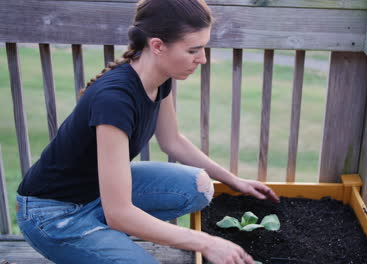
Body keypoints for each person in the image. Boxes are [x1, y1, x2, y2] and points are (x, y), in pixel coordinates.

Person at [15, 0, 280, 263]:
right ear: (157, 46)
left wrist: (234, 180)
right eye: (193, 50)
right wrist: (207, 242)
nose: (203, 59)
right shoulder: (114, 100)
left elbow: (172, 141)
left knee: (199, 187)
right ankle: (89, 240)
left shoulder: (159, 79)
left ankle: (101, 238)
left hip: (98, 194)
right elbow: (119, 213)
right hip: (53, 215)